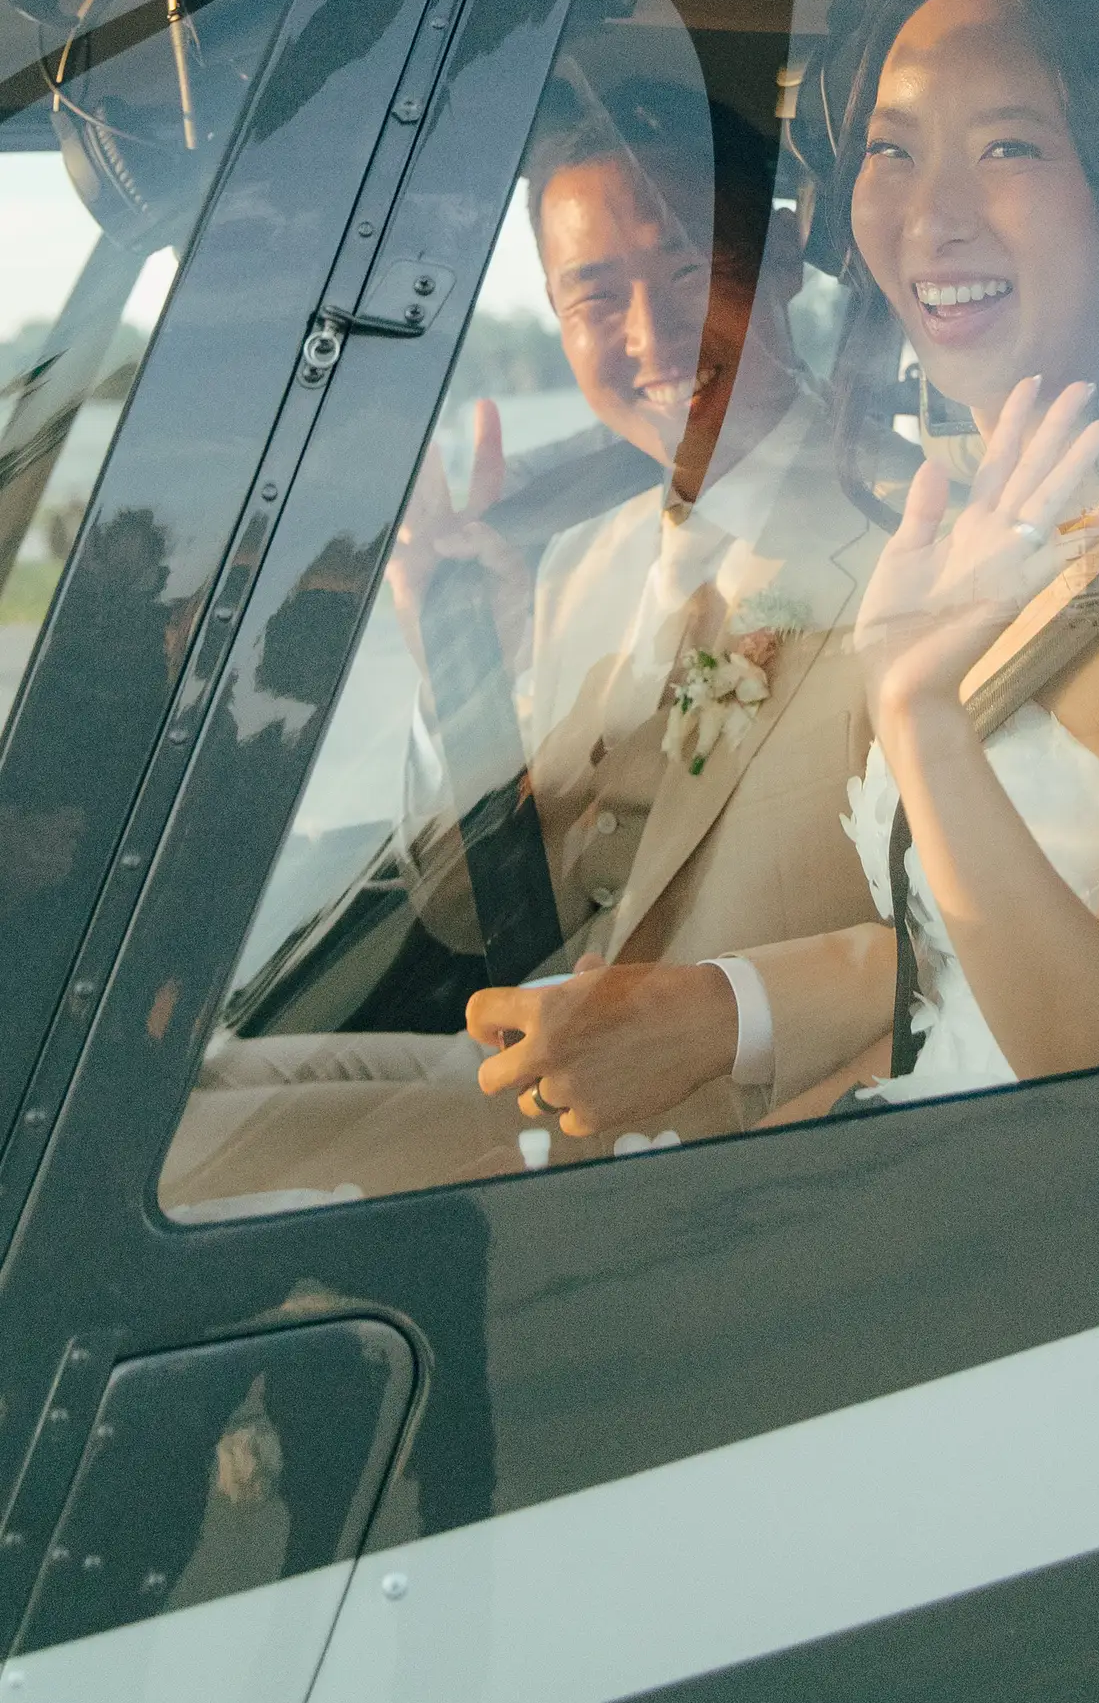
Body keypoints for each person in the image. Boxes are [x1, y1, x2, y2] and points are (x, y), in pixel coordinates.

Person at [483, 0, 1099, 1129]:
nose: (929, 217)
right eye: (891, 150)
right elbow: (937, 962)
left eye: (1008, 148)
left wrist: (918, 715)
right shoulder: (995, 524)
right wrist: (710, 1015)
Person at [161, 76, 888, 1212]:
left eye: (692, 271)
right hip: (554, 1086)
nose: (652, 337)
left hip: (735, 1140)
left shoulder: (899, 543)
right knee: (167, 1108)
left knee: (178, 1181)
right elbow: (469, 914)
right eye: (596, 298)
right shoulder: (582, 564)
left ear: (786, 256)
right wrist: (464, 666)